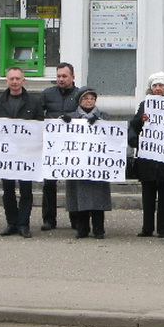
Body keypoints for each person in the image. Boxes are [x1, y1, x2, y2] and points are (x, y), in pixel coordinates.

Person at [0, 66, 44, 238]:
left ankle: (23, 224)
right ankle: (11, 223)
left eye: (17, 78)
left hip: (26, 154)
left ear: (23, 80)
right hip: (6, 154)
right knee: (8, 190)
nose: (14, 82)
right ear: (6, 81)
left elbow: (40, 126)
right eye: (11, 79)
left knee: (26, 191)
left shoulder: (34, 103)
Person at [128, 71, 164, 238]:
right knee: (147, 195)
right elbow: (134, 125)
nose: (158, 88)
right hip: (148, 158)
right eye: (155, 85)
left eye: (161, 85)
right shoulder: (144, 105)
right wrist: (142, 120)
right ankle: (147, 228)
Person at [64, 87, 112, 239]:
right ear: (79, 101)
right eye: (85, 98)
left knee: (98, 198)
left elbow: (113, 136)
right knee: (80, 197)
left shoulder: (104, 116)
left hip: (98, 164)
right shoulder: (71, 118)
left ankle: (99, 229)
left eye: (92, 98)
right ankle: (82, 229)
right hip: (78, 164)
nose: (89, 101)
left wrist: (100, 122)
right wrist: (63, 122)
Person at [40, 62, 83, 231]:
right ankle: (49, 219)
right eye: (58, 76)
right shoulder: (47, 94)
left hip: (73, 145)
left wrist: (71, 116)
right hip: (52, 145)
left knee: (73, 183)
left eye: (64, 76)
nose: (61, 79)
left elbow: (86, 113)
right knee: (49, 183)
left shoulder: (80, 95)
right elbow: (37, 113)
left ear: (73, 77)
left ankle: (76, 219)